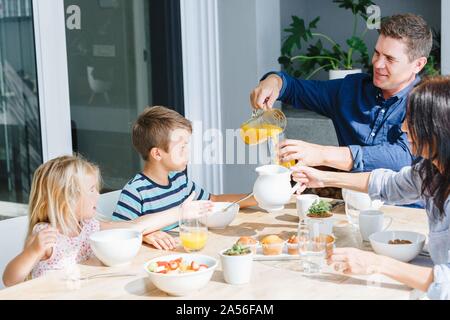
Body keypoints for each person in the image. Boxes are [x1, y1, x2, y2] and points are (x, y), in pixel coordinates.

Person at [292, 76, 450, 300]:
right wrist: (323, 178)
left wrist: (377, 264)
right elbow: (389, 184)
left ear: (438, 130)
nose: (403, 128)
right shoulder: (433, 171)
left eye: (413, 121)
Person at [250, 14, 432, 173]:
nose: (377, 64)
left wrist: (323, 155)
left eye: (390, 59)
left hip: (406, 211)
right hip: (352, 207)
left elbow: (401, 157)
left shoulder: (429, 103)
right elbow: (295, 89)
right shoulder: (350, 90)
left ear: (418, 64)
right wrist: (274, 81)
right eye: (377, 53)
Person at [2, 155, 212, 287]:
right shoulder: (46, 235)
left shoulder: (88, 227)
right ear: (68, 198)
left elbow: (136, 225)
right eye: (91, 190)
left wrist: (180, 212)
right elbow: (10, 280)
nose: (98, 195)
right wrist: (32, 251)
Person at [112, 106, 256, 250]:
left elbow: (213, 201)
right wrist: (144, 234)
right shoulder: (135, 192)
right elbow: (117, 233)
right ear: (157, 154)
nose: (188, 152)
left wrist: (256, 198)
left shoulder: (180, 181)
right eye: (181, 147)